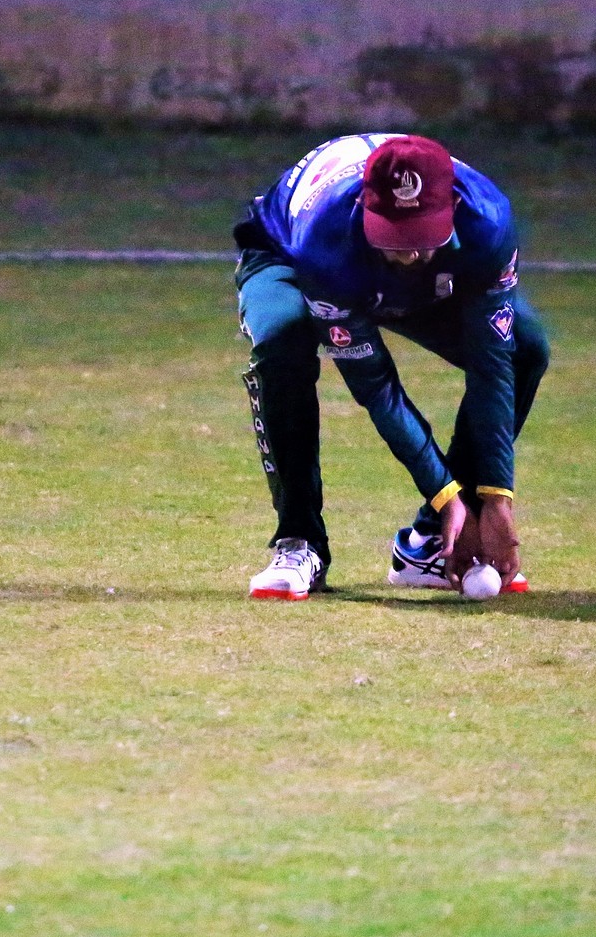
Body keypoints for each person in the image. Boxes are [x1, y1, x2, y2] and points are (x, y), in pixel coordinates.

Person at [232, 133, 550, 600]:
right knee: (283, 342)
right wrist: (445, 492)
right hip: (293, 254)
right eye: (393, 233)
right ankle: (300, 542)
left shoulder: (488, 221)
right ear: (365, 206)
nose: (407, 251)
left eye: (421, 233)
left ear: (452, 208)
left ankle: (430, 543)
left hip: (411, 273)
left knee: (524, 350)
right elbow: (376, 386)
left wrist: (495, 495)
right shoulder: (326, 239)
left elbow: (492, 363)